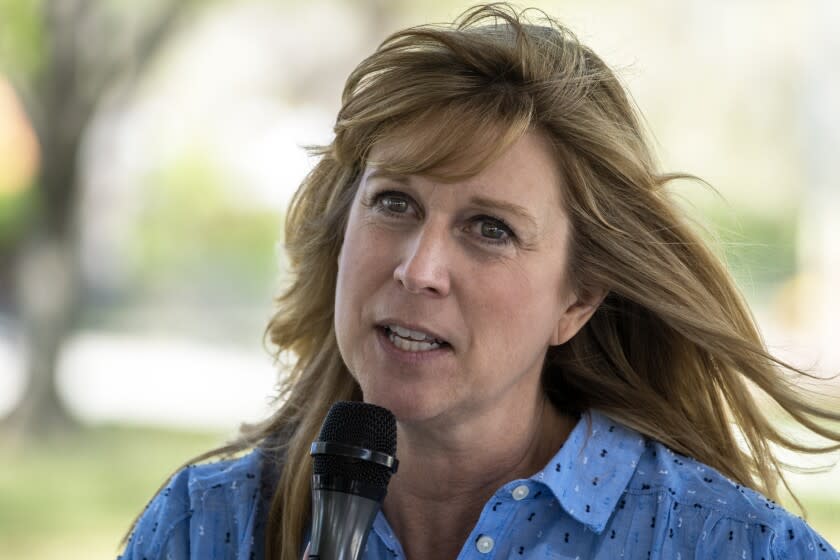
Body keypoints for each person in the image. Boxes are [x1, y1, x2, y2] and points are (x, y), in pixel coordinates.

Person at [119, 4, 840, 559]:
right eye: (394, 203)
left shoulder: (726, 544)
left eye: (489, 229)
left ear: (579, 298)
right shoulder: (205, 526)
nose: (418, 268)